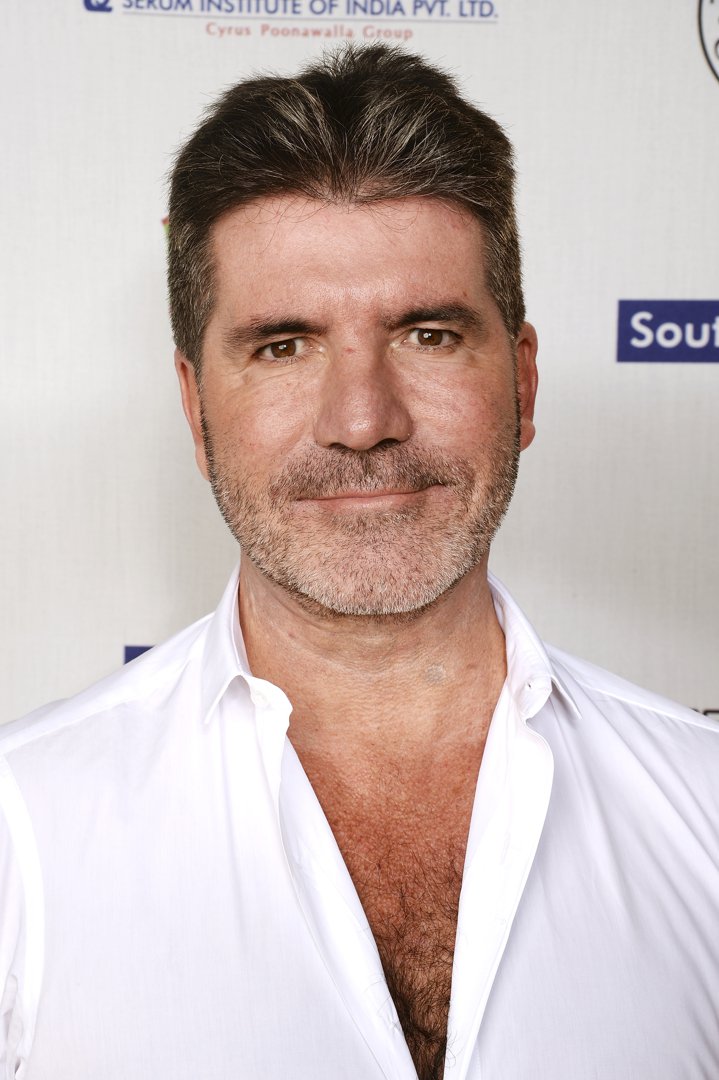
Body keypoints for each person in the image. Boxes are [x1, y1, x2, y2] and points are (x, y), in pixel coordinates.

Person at [1, 43, 717, 1080]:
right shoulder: (20, 835)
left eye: (426, 334)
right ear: (195, 409)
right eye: (282, 345)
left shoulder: (703, 811)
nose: (362, 421)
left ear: (520, 381)